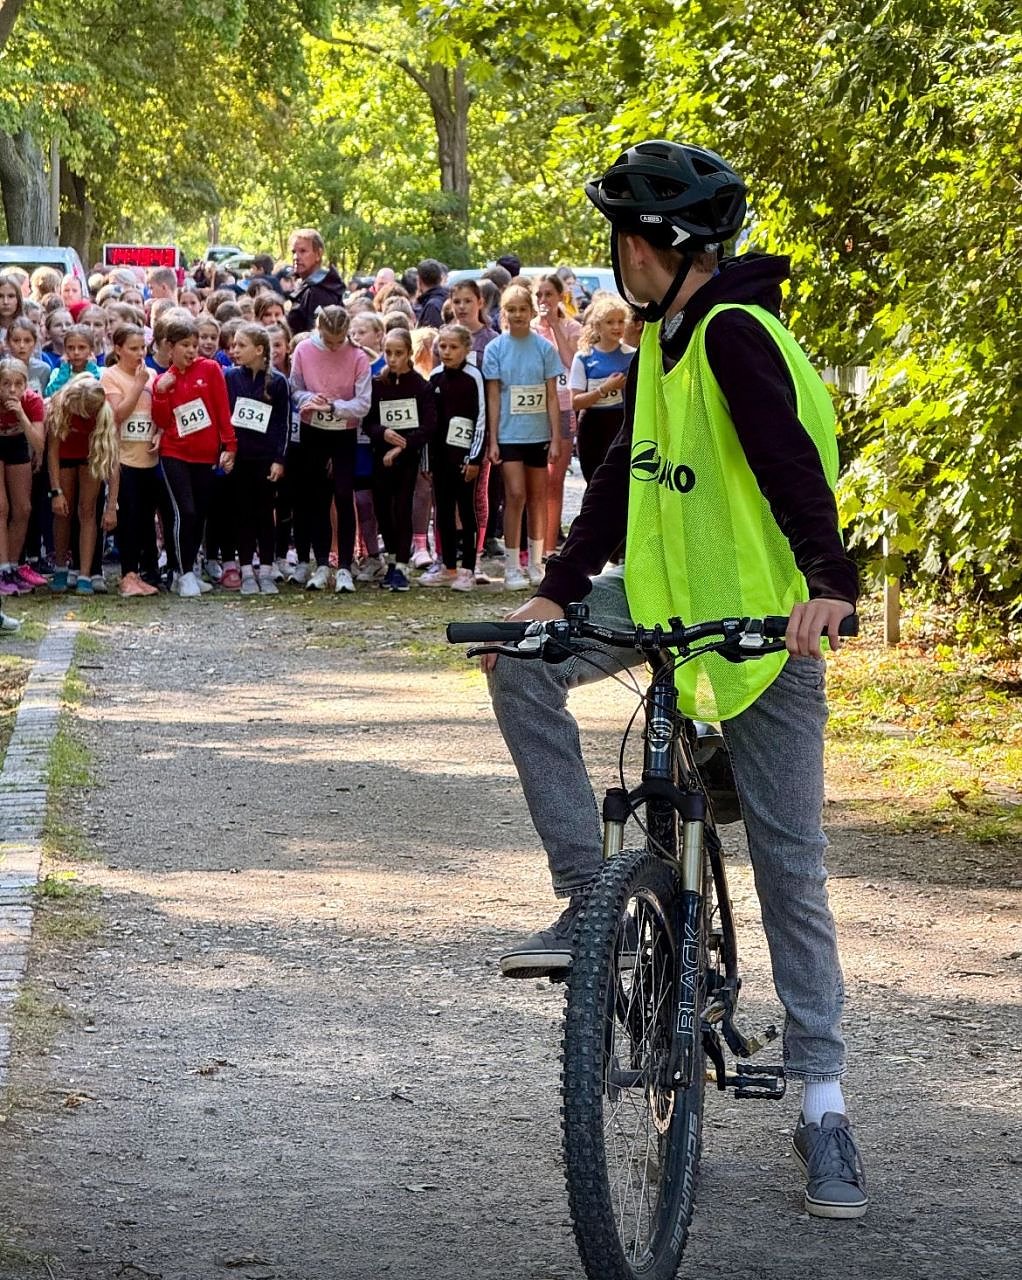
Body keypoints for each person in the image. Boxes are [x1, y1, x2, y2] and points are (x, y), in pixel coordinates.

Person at [483, 140, 866, 1220]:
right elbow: (623, 477)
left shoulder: (733, 333)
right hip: (658, 609)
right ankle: (590, 898)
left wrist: (828, 586)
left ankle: (823, 1101)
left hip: (763, 632)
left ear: (667, 246)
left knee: (790, 862)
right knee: (517, 667)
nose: (620, 257)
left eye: (627, 238)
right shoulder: (661, 336)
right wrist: (554, 594)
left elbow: (791, 466)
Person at [150, 315, 237, 598]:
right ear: (169, 347)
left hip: (205, 455)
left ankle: (188, 570)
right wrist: (161, 393)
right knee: (184, 511)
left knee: (199, 514)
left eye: (194, 345)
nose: (190, 351)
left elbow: (222, 410)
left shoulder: (210, 369)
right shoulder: (163, 379)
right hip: (174, 453)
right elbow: (162, 420)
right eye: (184, 345)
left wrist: (230, 446)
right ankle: (182, 571)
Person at [482, 284, 561, 589]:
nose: (517, 315)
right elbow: (493, 396)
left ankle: (536, 563)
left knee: (538, 497)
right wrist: (492, 439)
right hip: (509, 434)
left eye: (522, 309)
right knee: (515, 494)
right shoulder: (495, 349)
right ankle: (512, 565)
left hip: (538, 434)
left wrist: (556, 437)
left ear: (531, 311)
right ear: (504, 313)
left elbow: (552, 396)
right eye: (511, 309)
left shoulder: (545, 348)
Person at [289, 305, 371, 592]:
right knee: (317, 496)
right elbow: (295, 388)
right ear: (319, 330)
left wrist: (334, 407)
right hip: (313, 430)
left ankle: (345, 565)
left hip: (344, 432)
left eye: (340, 341)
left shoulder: (358, 356)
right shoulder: (303, 350)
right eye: (329, 340)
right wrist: (309, 399)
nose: (335, 347)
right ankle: (322, 562)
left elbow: (363, 403)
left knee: (344, 494)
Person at [363, 327, 436, 591]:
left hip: (407, 459)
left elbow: (428, 426)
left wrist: (401, 447)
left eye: (398, 353)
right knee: (382, 508)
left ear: (409, 354)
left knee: (402, 507)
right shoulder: (378, 384)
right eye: (388, 353)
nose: (393, 359)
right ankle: (392, 558)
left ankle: (402, 565)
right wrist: (383, 433)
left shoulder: (421, 386)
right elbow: (368, 422)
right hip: (380, 456)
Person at [224, 325, 289, 595]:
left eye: (241, 345)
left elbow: (283, 424)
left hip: (265, 459)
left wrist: (279, 459)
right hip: (240, 458)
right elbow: (225, 417)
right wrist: (227, 450)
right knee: (242, 513)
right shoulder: (231, 378)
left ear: (259, 349)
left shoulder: (278, 382)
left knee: (265, 513)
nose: (235, 350)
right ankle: (246, 569)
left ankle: (266, 568)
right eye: (233, 345)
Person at [421, 324, 485, 591]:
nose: (447, 352)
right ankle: (448, 567)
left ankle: (468, 568)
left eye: (453, 347)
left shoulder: (474, 377)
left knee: (466, 511)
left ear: (466, 349)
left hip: (465, 458)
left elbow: (481, 418)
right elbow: (428, 423)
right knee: (443, 511)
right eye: (443, 346)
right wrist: (427, 461)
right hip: (440, 458)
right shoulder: (435, 377)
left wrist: (475, 458)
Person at [100, 325, 160, 597]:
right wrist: (137, 385)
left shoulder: (152, 375)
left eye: (142, 348)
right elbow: (118, 414)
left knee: (146, 519)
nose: (139, 354)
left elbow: (158, 411)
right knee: (129, 518)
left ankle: (143, 573)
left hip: (149, 457)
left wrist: (159, 432)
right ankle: (127, 575)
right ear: (118, 349)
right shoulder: (110, 376)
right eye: (133, 349)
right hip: (124, 459)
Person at [46, 375, 119, 595]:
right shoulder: (60, 407)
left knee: (88, 511)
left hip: (90, 459)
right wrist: (56, 491)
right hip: (65, 458)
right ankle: (61, 567)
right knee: (62, 512)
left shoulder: (104, 414)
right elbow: (52, 452)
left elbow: (113, 463)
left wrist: (111, 505)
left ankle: (85, 574)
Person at [532, 274, 581, 557]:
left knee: (554, 480)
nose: (543, 300)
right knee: (533, 480)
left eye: (548, 294)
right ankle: (532, 545)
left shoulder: (572, 327)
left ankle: (549, 547)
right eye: (539, 295)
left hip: (562, 408)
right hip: (534, 409)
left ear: (560, 297)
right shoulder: (529, 329)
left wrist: (555, 327)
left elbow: (571, 362)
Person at [567, 294, 634, 481]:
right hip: (592, 426)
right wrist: (603, 389)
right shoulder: (584, 357)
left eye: (620, 321)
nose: (616, 327)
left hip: (622, 425)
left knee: (620, 483)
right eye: (610, 322)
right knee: (594, 481)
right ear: (597, 326)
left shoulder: (633, 356)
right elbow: (576, 402)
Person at [0, 358, 46, 595]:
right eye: (6, 384)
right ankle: (2, 569)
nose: (12, 390)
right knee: (1, 507)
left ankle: (13, 566)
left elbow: (39, 444)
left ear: (26, 385)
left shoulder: (32, 401)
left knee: (23, 508)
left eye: (18, 384)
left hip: (17, 442)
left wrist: (21, 415)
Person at [286, 228, 346, 335]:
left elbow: (318, 336)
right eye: (294, 252)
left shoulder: (319, 291)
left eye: (303, 251)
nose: (296, 257)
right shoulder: (309, 287)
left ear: (318, 254)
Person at [414, 259, 449, 328]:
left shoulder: (432, 307)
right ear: (440, 278)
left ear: (419, 280)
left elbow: (430, 333)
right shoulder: (447, 298)